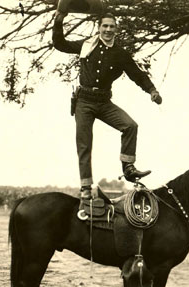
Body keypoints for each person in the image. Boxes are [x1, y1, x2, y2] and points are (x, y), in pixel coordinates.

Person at [52, 11, 163, 201]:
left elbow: (137, 74)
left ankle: (128, 169)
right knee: (84, 143)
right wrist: (59, 20)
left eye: (112, 26)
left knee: (130, 126)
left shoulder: (120, 54)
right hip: (84, 102)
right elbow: (60, 44)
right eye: (105, 26)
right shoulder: (86, 45)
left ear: (116, 29)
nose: (108, 30)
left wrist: (152, 90)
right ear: (99, 27)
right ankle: (86, 187)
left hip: (104, 102)